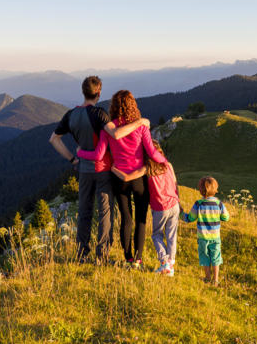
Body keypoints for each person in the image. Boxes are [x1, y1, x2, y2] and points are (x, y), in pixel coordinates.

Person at [49, 77, 149, 263]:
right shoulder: (99, 113)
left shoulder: (70, 115)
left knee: (84, 211)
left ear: (83, 91)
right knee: (105, 213)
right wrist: (140, 122)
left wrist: (73, 158)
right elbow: (117, 134)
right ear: (99, 92)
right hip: (103, 170)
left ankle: (81, 254)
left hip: (84, 170)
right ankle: (102, 256)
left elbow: (54, 139)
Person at [77, 90, 167, 269]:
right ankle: (138, 259)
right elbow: (151, 152)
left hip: (118, 177)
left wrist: (79, 152)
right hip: (139, 178)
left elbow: (99, 154)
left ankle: (128, 258)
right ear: (133, 105)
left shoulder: (110, 128)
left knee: (126, 218)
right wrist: (166, 163)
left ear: (114, 107)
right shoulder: (141, 127)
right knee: (141, 218)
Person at [111, 140, 180, 276]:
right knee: (172, 235)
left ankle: (164, 262)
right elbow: (175, 184)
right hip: (174, 205)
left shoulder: (147, 169)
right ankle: (171, 264)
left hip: (161, 208)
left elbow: (126, 178)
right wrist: (179, 202)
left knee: (157, 235)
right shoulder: (168, 165)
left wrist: (114, 169)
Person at [181, 176, 229, 286]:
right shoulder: (218, 203)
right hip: (215, 237)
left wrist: (181, 213)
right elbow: (226, 217)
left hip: (202, 237)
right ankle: (215, 280)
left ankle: (207, 278)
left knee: (205, 257)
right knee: (216, 257)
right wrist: (219, 217)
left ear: (200, 190)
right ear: (215, 189)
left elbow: (190, 218)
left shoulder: (198, 204)